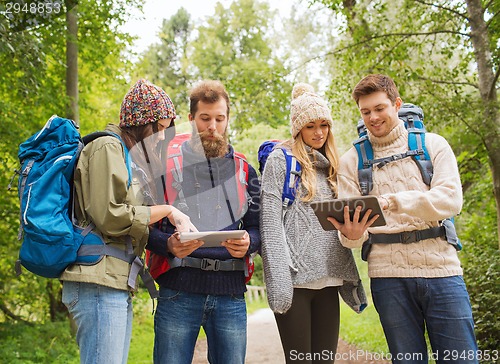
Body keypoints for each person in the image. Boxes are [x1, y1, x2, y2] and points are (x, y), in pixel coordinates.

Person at [329, 74, 478, 364]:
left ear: (396, 104)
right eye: (365, 111)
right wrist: (350, 232)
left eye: (379, 108)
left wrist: (395, 201)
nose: (373, 117)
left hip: (442, 271)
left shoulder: (434, 145)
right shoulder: (351, 161)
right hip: (388, 277)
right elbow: (351, 239)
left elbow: (450, 200)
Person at [60, 79, 195, 364]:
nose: (161, 137)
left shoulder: (127, 156)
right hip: (98, 284)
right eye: (160, 127)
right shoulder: (107, 148)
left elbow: (127, 220)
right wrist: (168, 211)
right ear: (142, 120)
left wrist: (168, 241)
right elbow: (110, 216)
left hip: (115, 282)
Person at [149, 80, 261, 364]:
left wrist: (250, 243)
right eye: (205, 118)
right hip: (178, 289)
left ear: (227, 119)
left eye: (219, 119)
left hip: (230, 293)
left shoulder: (245, 170)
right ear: (190, 119)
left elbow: (257, 226)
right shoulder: (164, 165)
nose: (212, 126)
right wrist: (168, 245)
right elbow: (141, 225)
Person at [260, 83, 367, 364]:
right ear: (298, 128)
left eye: (324, 125)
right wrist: (279, 283)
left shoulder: (336, 166)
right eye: (310, 126)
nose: (319, 133)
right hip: (295, 285)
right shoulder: (280, 162)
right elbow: (271, 227)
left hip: (329, 282)